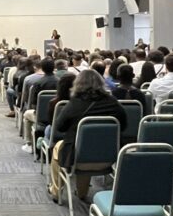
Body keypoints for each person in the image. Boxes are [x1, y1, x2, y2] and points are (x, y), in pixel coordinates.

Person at [48, 69, 126, 202]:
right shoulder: (113, 103)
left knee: (60, 147)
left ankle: (56, 192)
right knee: (89, 147)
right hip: (109, 159)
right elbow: (123, 126)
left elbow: (59, 127)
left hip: (78, 160)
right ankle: (82, 193)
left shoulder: (74, 103)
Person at [22, 58, 59, 152]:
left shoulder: (38, 83)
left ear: (42, 68)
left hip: (41, 117)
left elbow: (34, 104)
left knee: (26, 114)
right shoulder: (60, 81)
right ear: (54, 67)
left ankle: (29, 144)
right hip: (57, 116)